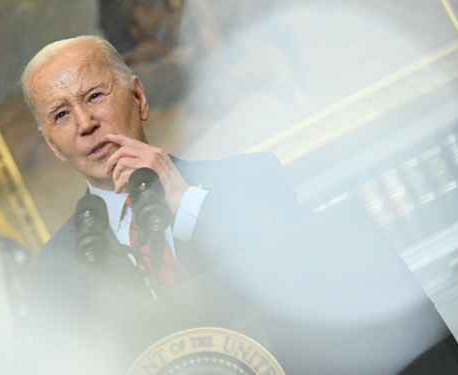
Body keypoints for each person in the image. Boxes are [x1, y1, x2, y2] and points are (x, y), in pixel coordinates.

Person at [20, 35, 304, 334]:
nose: (85, 123)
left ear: (139, 98)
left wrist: (190, 205)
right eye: (61, 114)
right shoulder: (48, 275)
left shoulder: (252, 179)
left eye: (95, 96)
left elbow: (306, 276)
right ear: (54, 146)